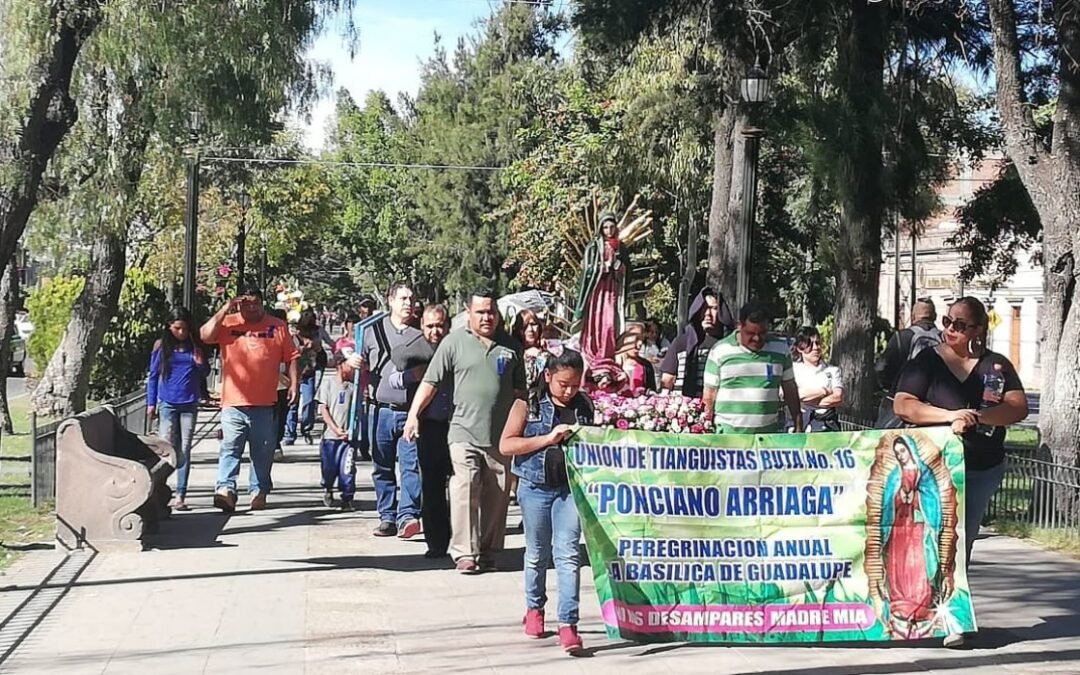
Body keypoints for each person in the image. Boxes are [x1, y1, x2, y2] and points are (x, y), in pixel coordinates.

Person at [893, 298, 1028, 559]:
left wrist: (979, 417)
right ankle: (926, 594)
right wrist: (949, 415)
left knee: (960, 538)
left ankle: (954, 595)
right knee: (928, 534)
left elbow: (1017, 406)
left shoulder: (996, 365)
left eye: (959, 324)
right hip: (930, 466)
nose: (950, 328)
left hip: (981, 467)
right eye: (947, 321)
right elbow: (903, 404)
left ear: (978, 330)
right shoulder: (927, 361)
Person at [404, 288, 527, 574]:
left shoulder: (510, 346)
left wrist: (521, 425)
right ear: (469, 313)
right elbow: (431, 382)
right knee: (464, 487)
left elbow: (520, 392)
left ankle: (489, 551)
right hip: (463, 431)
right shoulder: (454, 343)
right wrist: (414, 416)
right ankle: (464, 553)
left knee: (497, 495)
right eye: (481, 312)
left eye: (491, 312)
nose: (487, 317)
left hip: (500, 436)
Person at [500, 349, 592, 654]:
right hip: (535, 487)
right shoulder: (526, 404)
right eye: (563, 384)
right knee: (537, 553)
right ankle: (534, 609)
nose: (569, 391)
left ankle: (568, 624)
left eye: (575, 385)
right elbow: (507, 444)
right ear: (548, 376)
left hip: (570, 490)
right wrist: (547, 439)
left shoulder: (585, 406)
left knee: (568, 555)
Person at [201, 285, 299, 512]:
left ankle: (258, 490)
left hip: (265, 402)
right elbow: (205, 335)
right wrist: (225, 307)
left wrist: (295, 384)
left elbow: (292, 357)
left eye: (256, 303)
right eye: (247, 304)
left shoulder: (277, 326)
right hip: (233, 402)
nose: (252, 307)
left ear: (262, 303)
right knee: (230, 447)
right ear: (239, 304)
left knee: (262, 452)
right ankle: (225, 490)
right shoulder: (228, 323)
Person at [349, 283, 425, 538]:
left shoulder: (422, 332)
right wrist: (351, 361)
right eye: (403, 298)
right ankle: (387, 516)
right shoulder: (371, 332)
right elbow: (355, 364)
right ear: (390, 301)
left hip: (411, 412)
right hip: (380, 411)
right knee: (381, 466)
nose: (408, 303)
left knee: (411, 466)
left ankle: (408, 516)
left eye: (411, 298)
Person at [388, 304, 454, 558]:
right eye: (430, 326)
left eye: (440, 326)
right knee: (433, 485)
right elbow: (392, 380)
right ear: (422, 326)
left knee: (462, 486)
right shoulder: (412, 351)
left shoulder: (457, 348)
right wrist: (412, 376)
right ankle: (436, 543)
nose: (435, 331)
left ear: (447, 326)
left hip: (459, 426)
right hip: (430, 426)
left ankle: (462, 540)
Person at [701, 302, 803, 433]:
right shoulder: (720, 350)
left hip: (767, 436)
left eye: (762, 333)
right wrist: (706, 427)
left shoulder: (781, 350)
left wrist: (798, 423)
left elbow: (790, 389)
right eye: (750, 333)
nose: (757, 338)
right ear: (740, 326)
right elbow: (709, 395)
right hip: (727, 437)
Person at [146, 306, 209, 511]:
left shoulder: (194, 346)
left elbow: (204, 372)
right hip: (167, 403)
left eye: (185, 328)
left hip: (189, 403)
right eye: (177, 328)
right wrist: (151, 403)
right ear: (169, 326)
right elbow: (153, 376)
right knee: (166, 449)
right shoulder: (161, 346)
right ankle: (159, 488)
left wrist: (200, 363)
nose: (181, 332)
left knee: (184, 450)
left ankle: (181, 493)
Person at [573, 212, 629, 370]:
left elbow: (626, 269)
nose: (609, 230)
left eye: (611, 227)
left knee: (609, 323)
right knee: (595, 321)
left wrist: (620, 268)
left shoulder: (620, 247)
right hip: (596, 290)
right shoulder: (593, 246)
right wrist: (601, 267)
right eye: (605, 227)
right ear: (601, 229)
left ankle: (607, 354)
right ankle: (593, 351)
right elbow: (587, 269)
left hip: (612, 290)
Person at [876, 300, 942, 424]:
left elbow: (882, 367)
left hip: (901, 406)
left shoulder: (902, 337)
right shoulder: (944, 339)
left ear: (913, 317)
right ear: (935, 316)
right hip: (934, 409)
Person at [661, 287, 735, 398]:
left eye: (713, 308)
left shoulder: (729, 345)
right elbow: (667, 380)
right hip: (682, 407)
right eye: (703, 308)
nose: (707, 314)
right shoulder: (682, 342)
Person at [318, 352, 359, 511]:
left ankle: (347, 497)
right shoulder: (327, 384)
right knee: (329, 468)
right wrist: (335, 429)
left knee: (347, 468)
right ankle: (328, 488)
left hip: (348, 439)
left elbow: (356, 412)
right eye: (350, 365)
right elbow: (324, 409)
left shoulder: (353, 388)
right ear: (340, 365)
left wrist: (351, 431)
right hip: (330, 437)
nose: (352, 369)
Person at [792, 325, 844, 431]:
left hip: (826, 429)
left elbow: (838, 397)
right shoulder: (791, 370)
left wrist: (805, 402)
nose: (815, 348)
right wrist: (823, 391)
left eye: (818, 343)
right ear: (799, 348)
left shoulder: (832, 371)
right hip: (798, 429)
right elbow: (789, 395)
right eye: (810, 344)